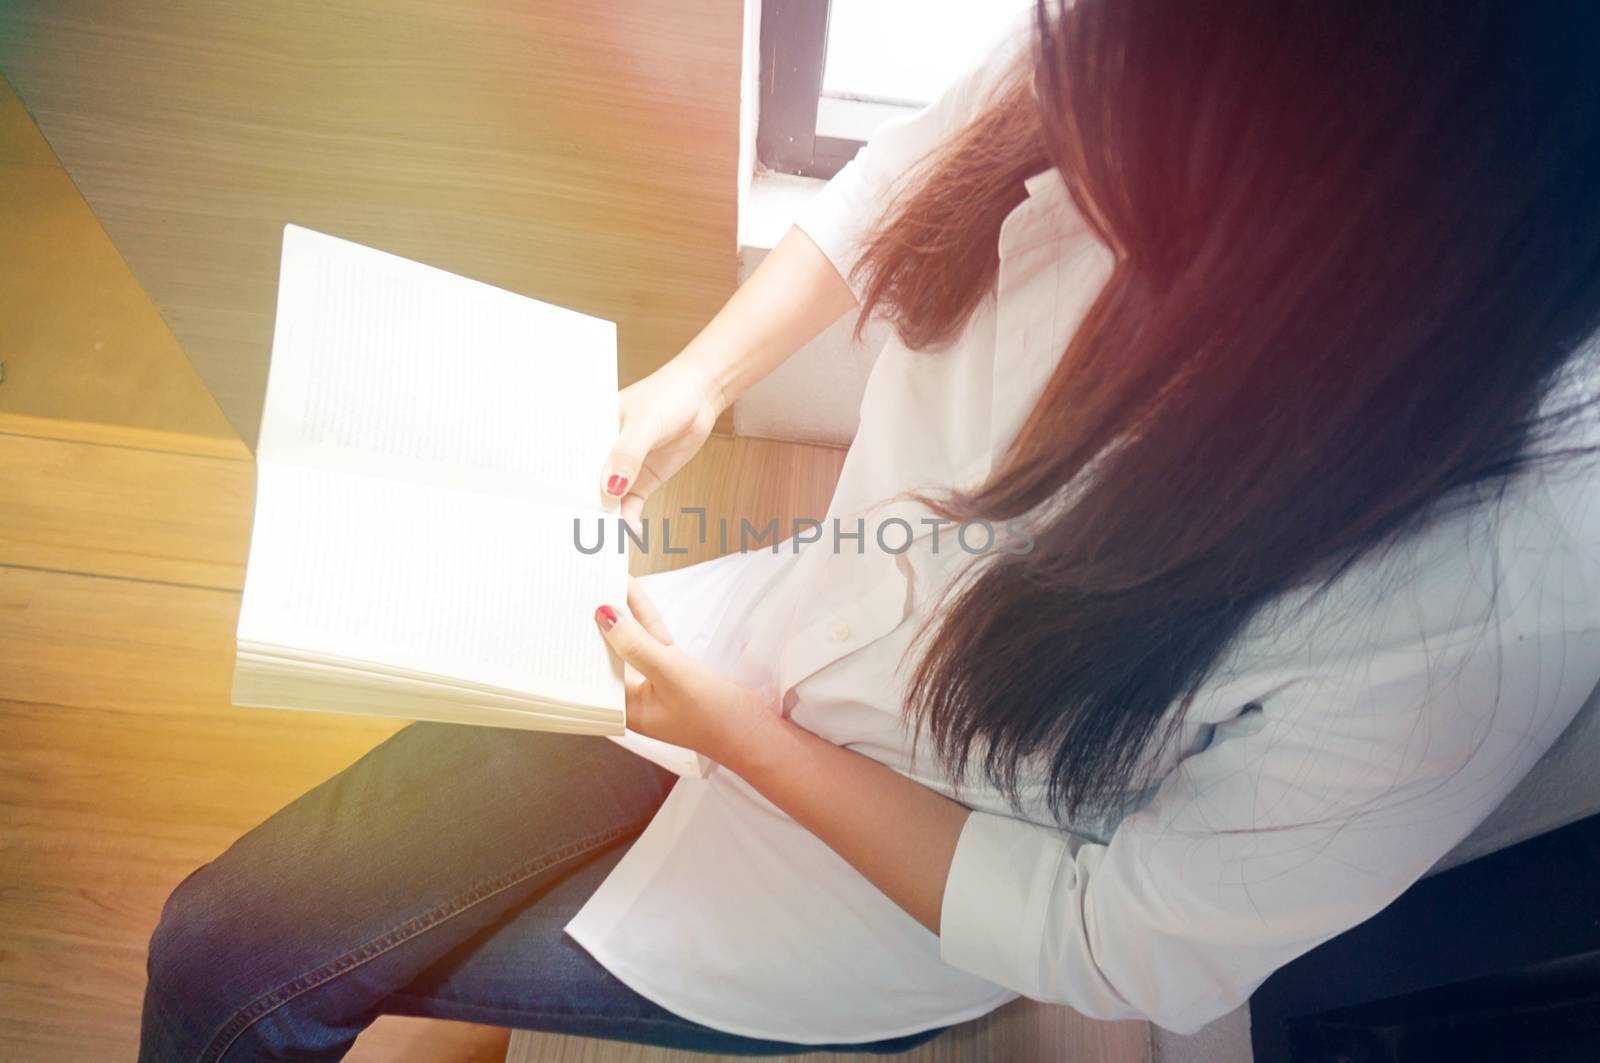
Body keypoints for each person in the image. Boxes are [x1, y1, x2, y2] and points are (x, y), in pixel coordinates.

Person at [140, 2, 1600, 1059]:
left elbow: (1125, 938)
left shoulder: (1480, 590)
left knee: (266, 971)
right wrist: (696, 381)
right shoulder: (1171, 50)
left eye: (1124, 167)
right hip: (753, 640)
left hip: (881, 884)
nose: (1068, 160)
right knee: (235, 937)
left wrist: (745, 740)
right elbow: (921, 163)